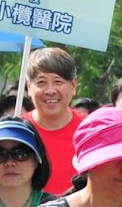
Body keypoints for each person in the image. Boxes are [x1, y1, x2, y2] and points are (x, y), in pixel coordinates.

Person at [23, 47, 84, 195]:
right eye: (41, 82)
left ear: (73, 85)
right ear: (29, 87)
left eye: (58, 81)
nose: (50, 90)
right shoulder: (16, 132)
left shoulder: (90, 130)